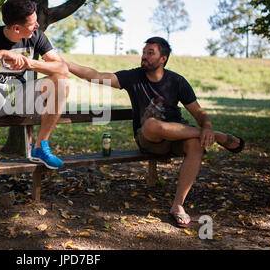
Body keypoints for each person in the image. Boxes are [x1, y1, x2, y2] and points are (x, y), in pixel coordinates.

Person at [65, 36, 244, 228]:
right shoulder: (133, 77)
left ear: (163, 59)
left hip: (178, 136)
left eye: (150, 53)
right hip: (150, 139)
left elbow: (199, 113)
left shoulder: (177, 81)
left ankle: (178, 205)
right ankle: (218, 136)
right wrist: (65, 63)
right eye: (143, 52)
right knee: (151, 124)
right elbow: (96, 75)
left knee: (195, 145)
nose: (144, 56)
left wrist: (207, 127)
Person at [0, 0, 69, 176]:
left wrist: (30, 64)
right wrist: (0, 53)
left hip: (22, 97)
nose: (37, 25)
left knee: (61, 81)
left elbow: (62, 68)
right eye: (33, 23)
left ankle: (40, 146)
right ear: (17, 28)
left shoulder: (37, 36)